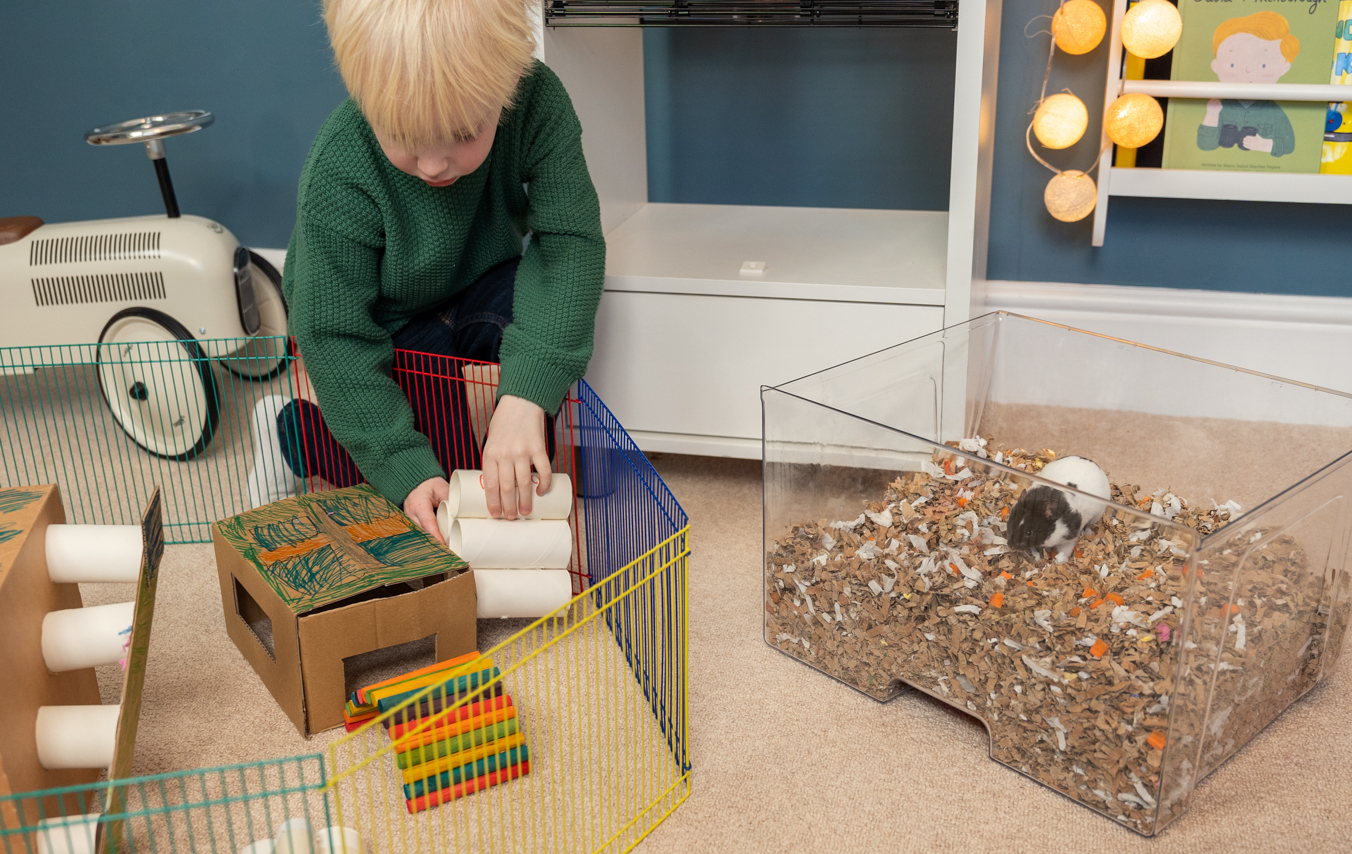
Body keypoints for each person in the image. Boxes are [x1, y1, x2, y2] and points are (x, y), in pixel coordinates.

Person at [245, 0, 605, 543]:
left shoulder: (539, 100)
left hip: (481, 285)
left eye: (463, 132)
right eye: (405, 138)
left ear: (511, 77)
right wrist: (403, 465)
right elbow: (335, 336)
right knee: (434, 471)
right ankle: (295, 435)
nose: (435, 166)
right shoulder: (339, 165)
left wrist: (526, 397)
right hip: (386, 327)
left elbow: (568, 247)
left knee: (538, 353)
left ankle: (520, 477)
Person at [1198, 12, 1300, 157]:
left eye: (1263, 65)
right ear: (1215, 66)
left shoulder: (1273, 111)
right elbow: (1205, 146)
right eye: (1233, 64)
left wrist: (1266, 145)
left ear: (1284, 68)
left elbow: (1289, 144)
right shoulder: (1219, 106)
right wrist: (1212, 115)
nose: (1248, 70)